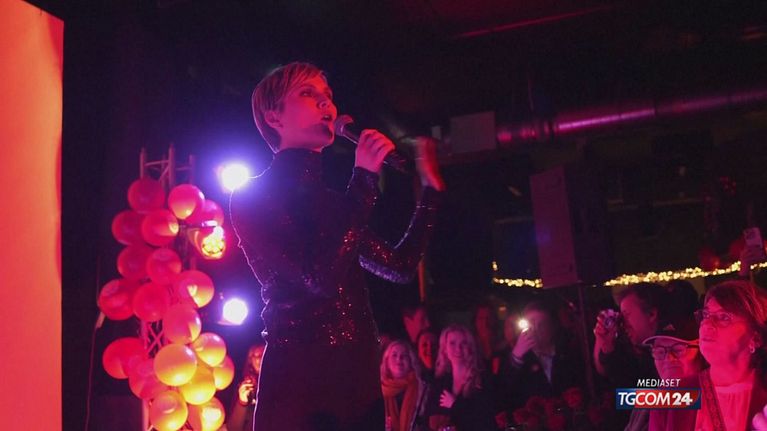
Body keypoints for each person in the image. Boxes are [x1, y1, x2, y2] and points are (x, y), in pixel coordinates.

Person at [230, 62, 446, 431]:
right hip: (301, 377)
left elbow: (399, 266)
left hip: (358, 375)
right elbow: (320, 279)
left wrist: (430, 194)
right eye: (307, 93)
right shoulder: (253, 195)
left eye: (328, 95)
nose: (325, 103)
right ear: (274, 117)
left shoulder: (335, 203)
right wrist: (363, 179)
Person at [504, 299, 586, 409]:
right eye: (531, 324)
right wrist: (516, 355)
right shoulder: (521, 360)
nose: (535, 330)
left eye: (541, 325)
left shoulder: (568, 354)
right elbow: (505, 390)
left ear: (552, 327)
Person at [424, 324, 496, 431]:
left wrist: (455, 405)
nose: (458, 348)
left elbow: (485, 420)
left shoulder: (482, 380)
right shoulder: (440, 383)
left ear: (470, 348)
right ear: (444, 349)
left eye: (463, 343)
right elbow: (429, 419)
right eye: (452, 343)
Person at [645, 321, 705, 431]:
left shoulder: (713, 398)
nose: (668, 358)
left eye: (678, 350)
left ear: (701, 351)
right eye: (660, 352)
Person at [380, 340, 429, 431]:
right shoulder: (378, 390)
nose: (399, 359)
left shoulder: (422, 388)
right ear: (387, 361)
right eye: (394, 355)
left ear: (411, 361)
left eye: (404, 355)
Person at [226, 344, 266, 431]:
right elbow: (233, 428)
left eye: (264, 354)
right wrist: (242, 402)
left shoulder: (279, 385)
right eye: (257, 355)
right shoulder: (245, 386)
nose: (261, 358)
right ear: (251, 360)